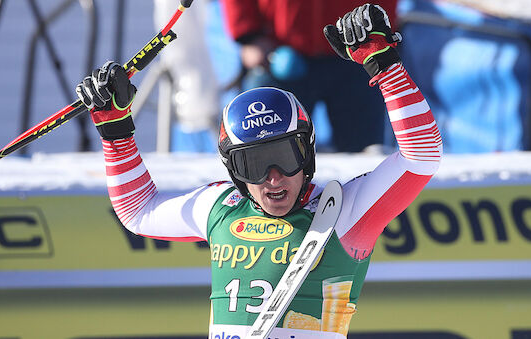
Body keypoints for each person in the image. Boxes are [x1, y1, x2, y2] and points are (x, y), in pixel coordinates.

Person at [75, 4, 441, 338]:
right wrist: (116, 131)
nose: (273, 177)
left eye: (285, 156)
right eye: (253, 164)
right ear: (233, 169)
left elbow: (421, 156)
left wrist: (385, 66)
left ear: (307, 152)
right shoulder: (220, 206)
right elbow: (137, 211)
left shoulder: (347, 211)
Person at [220, 0, 399, 153]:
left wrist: (380, 32)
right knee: (266, 154)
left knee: (366, 158)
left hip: (357, 53)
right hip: (278, 56)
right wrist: (249, 35)